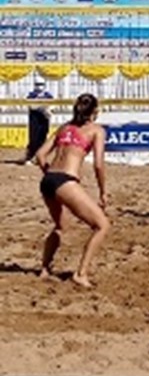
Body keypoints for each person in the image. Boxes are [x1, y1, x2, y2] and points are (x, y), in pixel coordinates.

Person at [35, 93, 110, 288]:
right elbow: (99, 165)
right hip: (65, 180)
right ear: (95, 112)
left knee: (61, 226)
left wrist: (50, 175)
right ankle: (81, 274)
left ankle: (45, 268)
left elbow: (40, 155)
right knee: (102, 225)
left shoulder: (64, 128)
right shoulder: (96, 130)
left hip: (48, 180)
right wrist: (103, 191)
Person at [22, 79, 53, 165]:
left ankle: (39, 158)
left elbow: (52, 106)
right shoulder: (31, 96)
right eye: (38, 84)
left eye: (41, 84)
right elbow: (31, 106)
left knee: (42, 138)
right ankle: (30, 156)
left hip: (44, 120)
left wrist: (48, 110)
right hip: (34, 120)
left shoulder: (48, 96)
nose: (40, 86)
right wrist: (41, 108)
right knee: (34, 138)